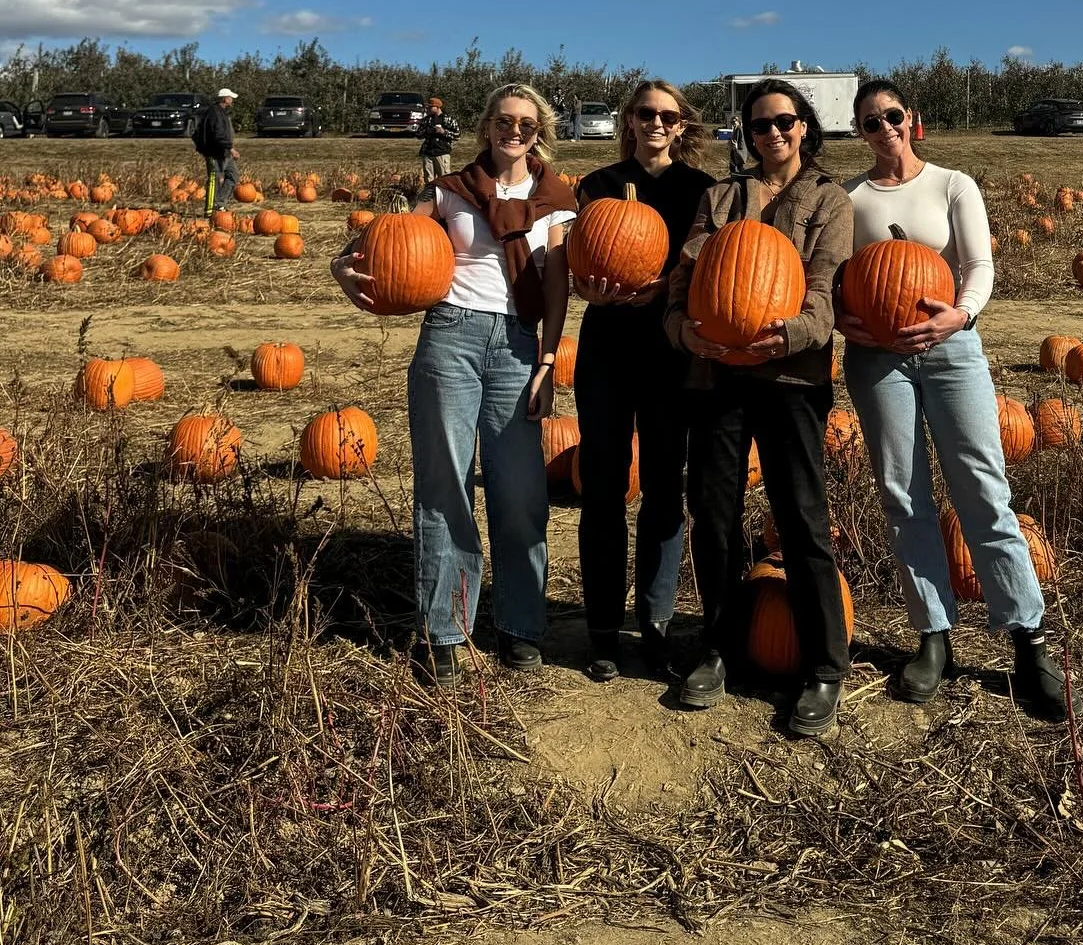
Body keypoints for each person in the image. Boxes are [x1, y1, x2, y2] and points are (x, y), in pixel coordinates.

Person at [837, 78, 1073, 721]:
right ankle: (933, 634)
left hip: (951, 352)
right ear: (858, 131)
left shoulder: (951, 184)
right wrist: (842, 320)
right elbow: (835, 278)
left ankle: (1028, 639)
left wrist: (959, 317)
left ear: (911, 120)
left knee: (982, 488)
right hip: (878, 361)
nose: (882, 127)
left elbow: (980, 266)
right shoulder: (850, 198)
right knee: (903, 494)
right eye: (868, 121)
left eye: (891, 116)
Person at [332, 82, 575, 682]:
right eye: (502, 120)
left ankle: (520, 623)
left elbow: (556, 291)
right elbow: (389, 247)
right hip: (451, 336)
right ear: (487, 126)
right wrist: (343, 266)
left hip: (522, 345)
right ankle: (446, 630)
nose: (512, 130)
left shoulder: (559, 200)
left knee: (521, 492)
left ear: (538, 130)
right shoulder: (447, 192)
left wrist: (548, 364)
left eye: (524, 122)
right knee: (445, 487)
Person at [666, 78, 855, 738]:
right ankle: (718, 648)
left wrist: (787, 335)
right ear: (744, 135)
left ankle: (826, 667)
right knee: (713, 514)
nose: (771, 134)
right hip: (715, 373)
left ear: (805, 127)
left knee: (801, 518)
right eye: (758, 126)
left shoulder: (829, 200)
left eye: (783, 123)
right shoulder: (719, 197)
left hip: (790, 378)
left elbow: (826, 292)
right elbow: (682, 287)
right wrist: (682, 332)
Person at [571, 80, 712, 682]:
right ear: (629, 120)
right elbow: (580, 263)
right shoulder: (596, 186)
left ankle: (653, 624)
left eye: (667, 116)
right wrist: (587, 288)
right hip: (606, 350)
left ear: (682, 126)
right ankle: (602, 629)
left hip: (669, 353)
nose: (656, 123)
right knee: (602, 488)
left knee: (662, 489)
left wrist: (667, 291)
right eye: (645, 113)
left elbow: (714, 267)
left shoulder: (700, 191)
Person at [195, 87, 240, 215]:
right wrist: (231, 149)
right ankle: (209, 210)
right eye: (231, 98)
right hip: (215, 152)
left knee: (233, 176)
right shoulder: (214, 113)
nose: (232, 100)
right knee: (214, 179)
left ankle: (219, 203)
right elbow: (218, 135)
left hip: (224, 152)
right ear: (225, 99)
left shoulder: (222, 112)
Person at [418, 96, 461, 184]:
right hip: (428, 153)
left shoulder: (449, 120)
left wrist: (443, 132)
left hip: (442, 152)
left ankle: (444, 196)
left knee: (444, 179)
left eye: (430, 107)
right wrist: (428, 131)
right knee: (428, 180)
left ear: (437, 107)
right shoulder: (426, 120)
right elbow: (418, 134)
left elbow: (457, 135)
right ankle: (431, 196)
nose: (428, 109)